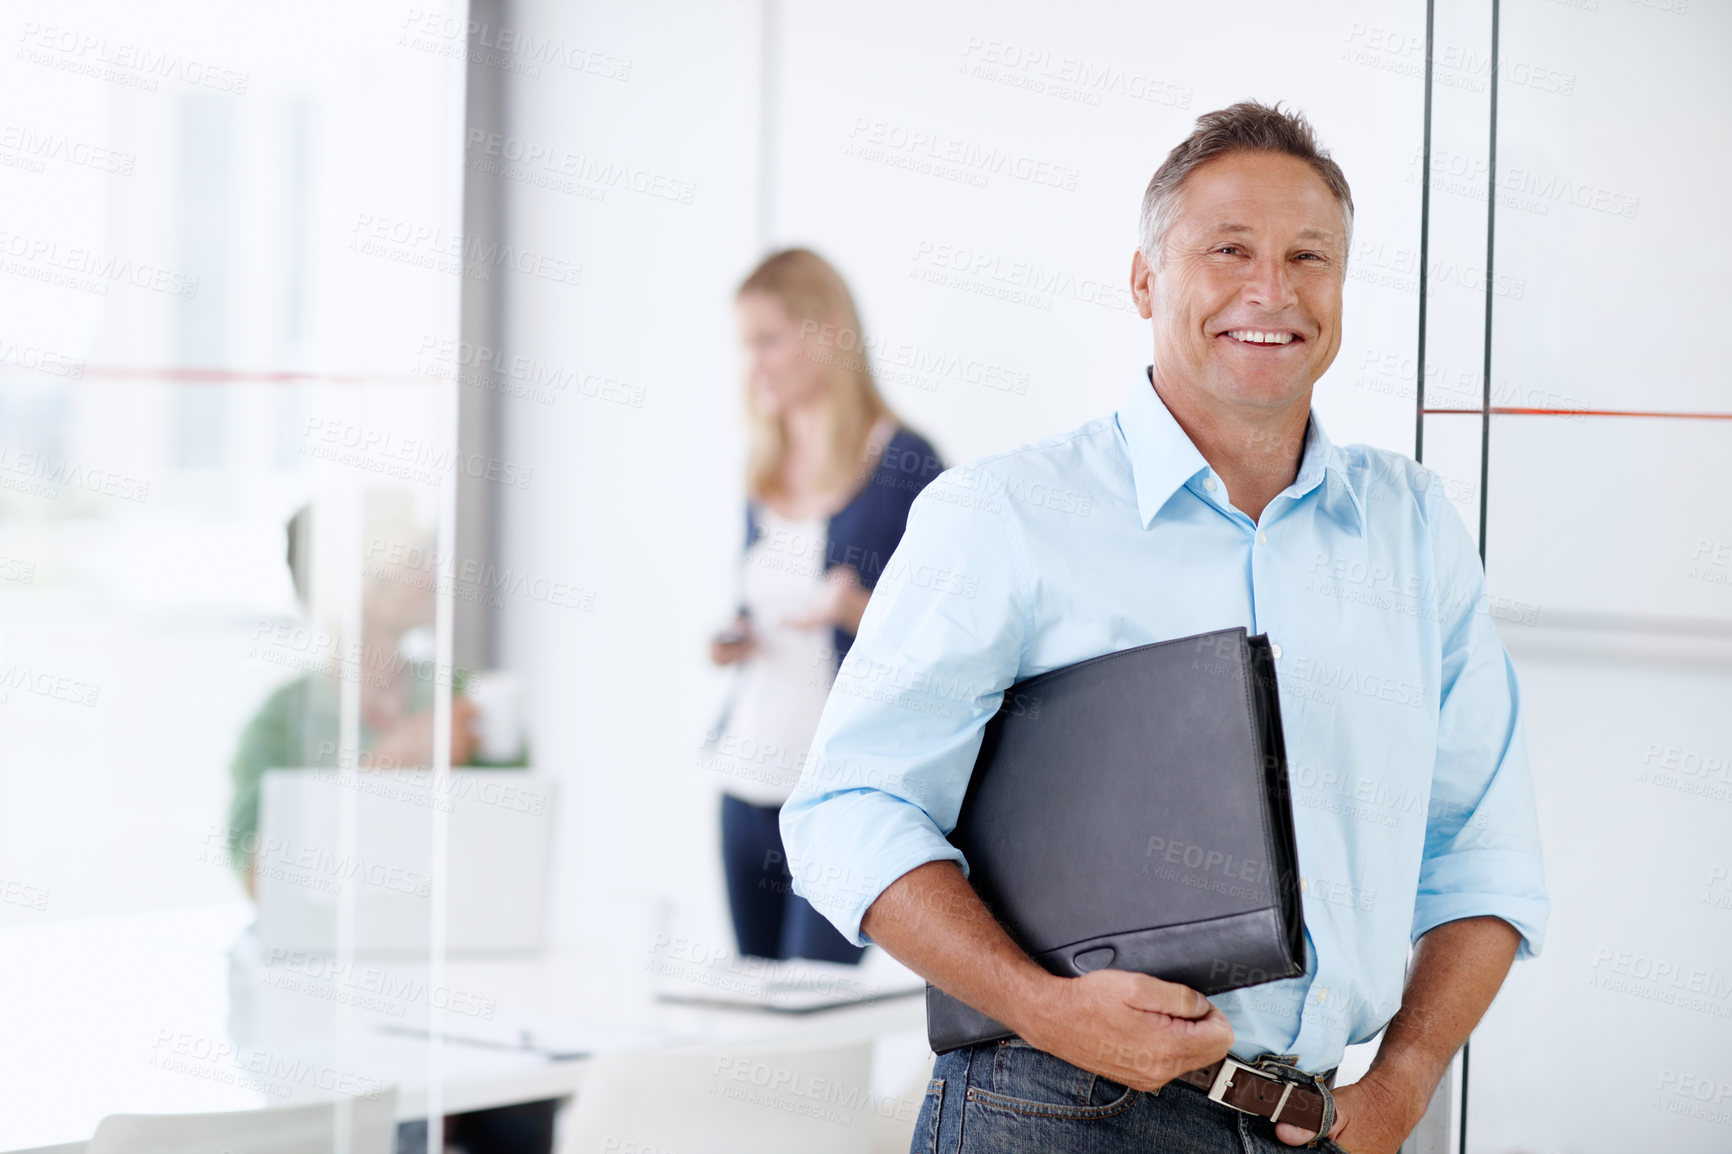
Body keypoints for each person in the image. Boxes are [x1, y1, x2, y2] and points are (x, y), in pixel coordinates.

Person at [780, 103, 1548, 1154]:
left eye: (1307, 256)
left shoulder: (1411, 528)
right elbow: (843, 806)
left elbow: (1484, 849)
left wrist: (1406, 1078)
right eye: (1227, 249)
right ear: (1145, 280)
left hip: (1325, 1121)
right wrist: (1039, 1003)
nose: (1270, 290)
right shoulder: (1006, 514)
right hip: (1056, 1107)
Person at [706, 248, 944, 964]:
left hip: (842, 802)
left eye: (767, 341)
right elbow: (757, 602)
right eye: (747, 345)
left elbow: (953, 640)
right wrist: (734, 638)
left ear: (825, 333)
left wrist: (856, 610)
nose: (756, 365)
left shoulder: (906, 463)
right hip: (746, 781)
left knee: (815, 1018)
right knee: (757, 1018)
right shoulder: (765, 465)